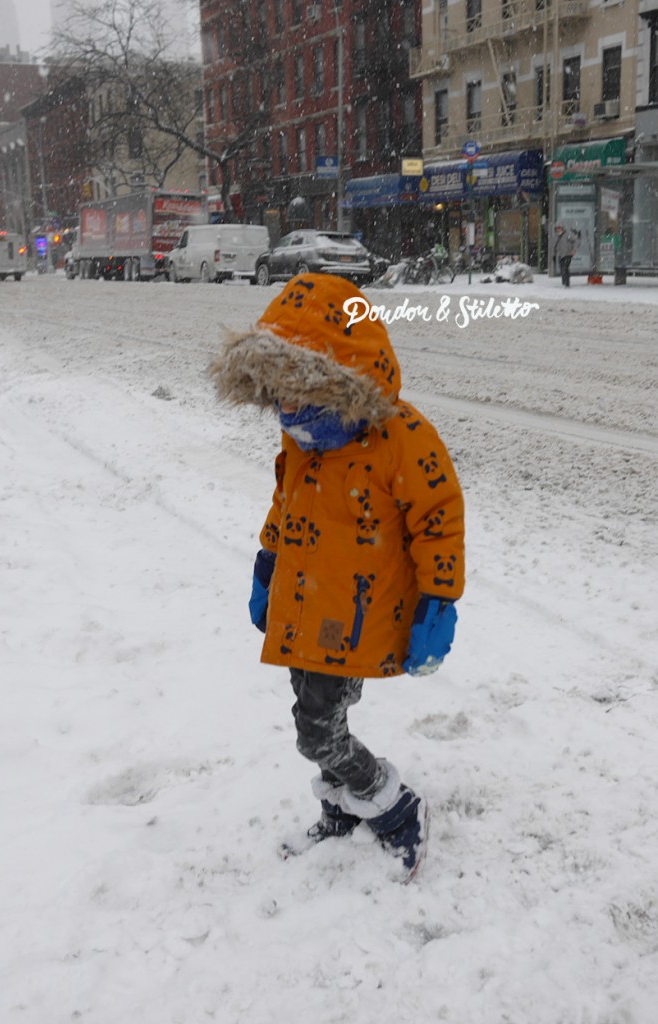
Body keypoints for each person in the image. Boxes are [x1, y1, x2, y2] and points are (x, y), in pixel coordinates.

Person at [211, 273, 465, 881]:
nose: (287, 409)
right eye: (277, 394)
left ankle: (392, 805)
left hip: (354, 610)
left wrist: (439, 600)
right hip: (303, 601)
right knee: (314, 708)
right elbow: (286, 505)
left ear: (338, 382)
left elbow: (439, 517)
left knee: (316, 732)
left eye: (300, 392)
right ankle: (339, 810)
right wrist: (267, 565)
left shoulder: (401, 438)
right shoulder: (302, 440)